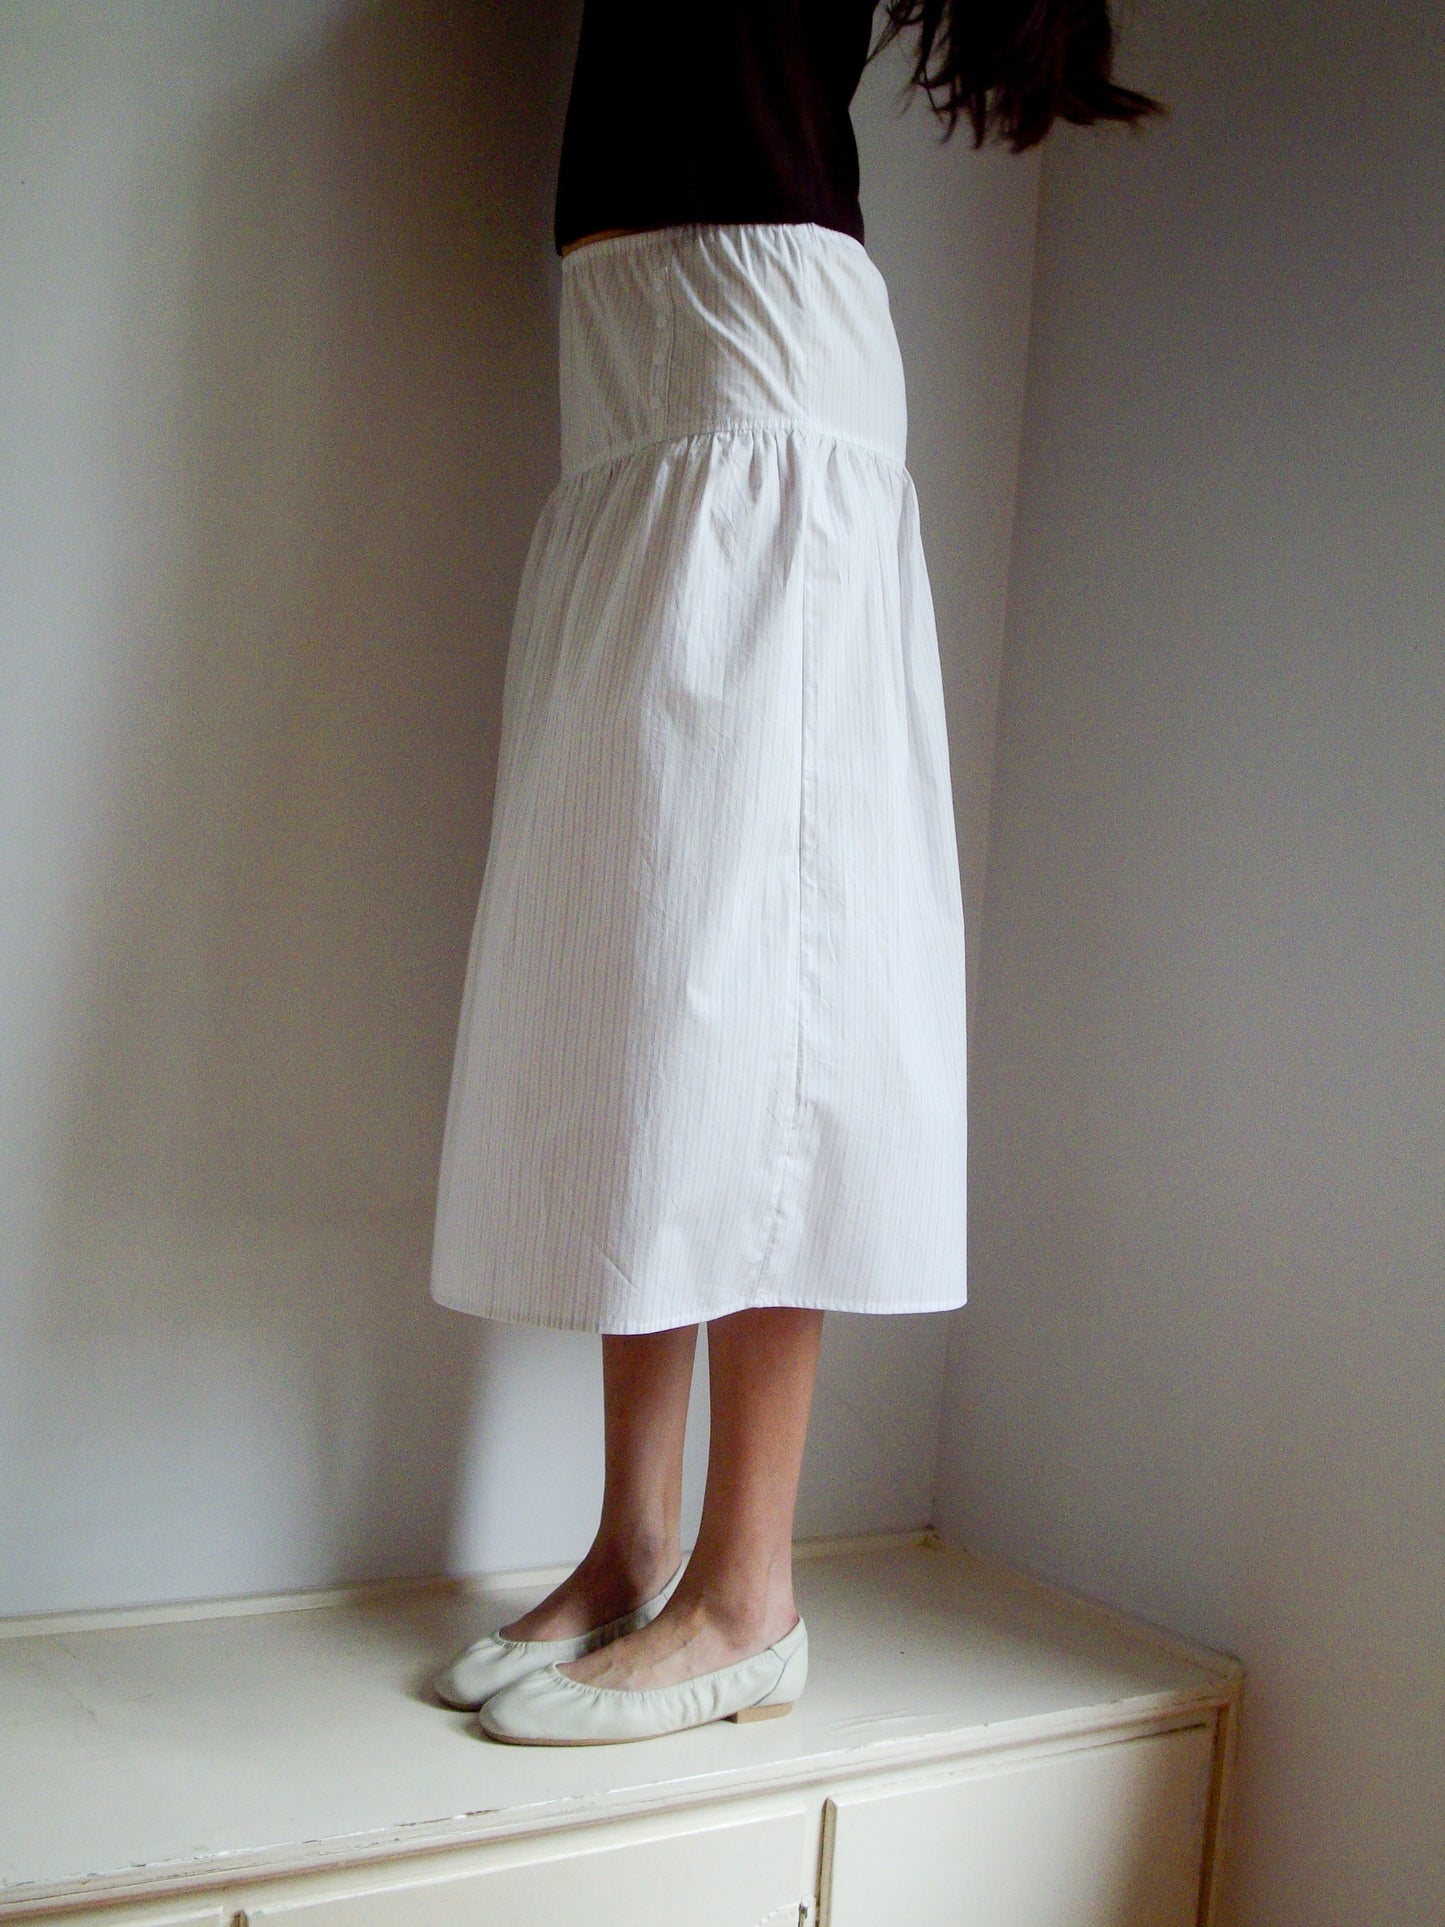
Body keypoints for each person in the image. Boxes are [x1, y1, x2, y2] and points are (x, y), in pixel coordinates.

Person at [429, 0, 1158, 1747]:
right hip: (632, 369)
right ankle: (634, 1544)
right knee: (643, 973)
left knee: (763, 984)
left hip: (755, 373)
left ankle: (748, 1593)